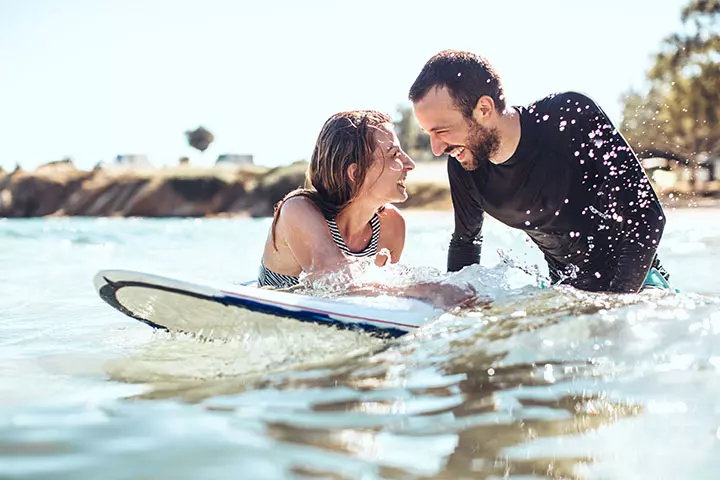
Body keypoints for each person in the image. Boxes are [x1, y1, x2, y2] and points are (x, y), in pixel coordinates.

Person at [408, 50, 670, 293]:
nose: (436, 148)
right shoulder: (466, 165)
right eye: (428, 134)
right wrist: (454, 310)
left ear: (484, 109)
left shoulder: (567, 117)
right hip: (566, 292)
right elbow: (466, 244)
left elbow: (647, 217)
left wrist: (617, 302)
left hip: (640, 284)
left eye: (441, 131)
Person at [258, 110, 413, 288]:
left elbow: (383, 300)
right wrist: (431, 292)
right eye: (394, 154)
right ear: (356, 173)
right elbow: (336, 283)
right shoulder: (298, 210)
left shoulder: (391, 224)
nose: (410, 164)